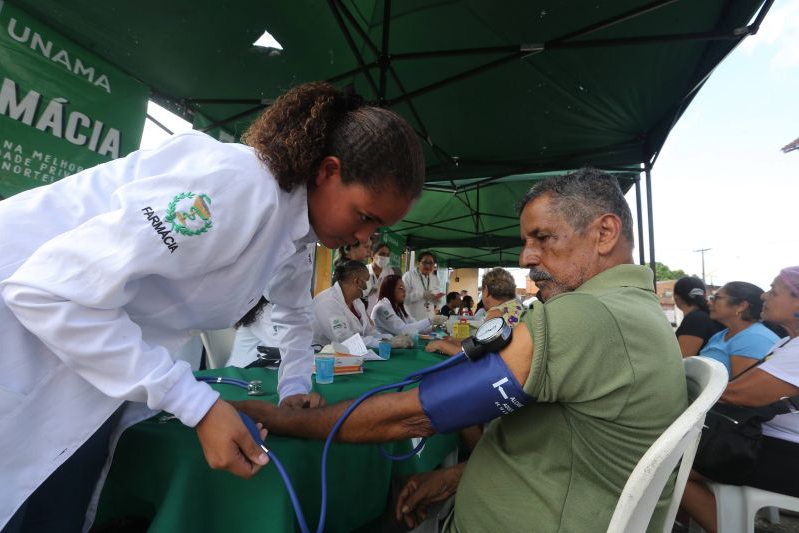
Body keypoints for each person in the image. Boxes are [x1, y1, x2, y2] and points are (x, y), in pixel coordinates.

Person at [0, 81, 425, 531]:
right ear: (328, 172)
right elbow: (49, 290)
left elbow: (293, 312)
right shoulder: (240, 187)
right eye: (365, 217)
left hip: (79, 373)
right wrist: (197, 404)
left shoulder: (294, 229)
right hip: (21, 342)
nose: (364, 239)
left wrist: (295, 387)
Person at [236, 168, 687, 532]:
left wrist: (283, 416)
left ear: (605, 232)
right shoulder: (631, 307)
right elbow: (570, 448)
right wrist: (456, 476)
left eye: (542, 238)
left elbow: (413, 415)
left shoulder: (587, 315)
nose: (527, 258)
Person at [680, 267, 799, 533]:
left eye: (773, 291)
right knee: (673, 458)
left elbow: (737, 393)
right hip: (767, 441)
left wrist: (674, 389)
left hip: (789, 454)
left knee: (668, 466)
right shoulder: (786, 344)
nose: (765, 297)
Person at [427, 268, 524, 356]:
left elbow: (473, 353)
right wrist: (453, 340)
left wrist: (440, 345)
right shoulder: (516, 306)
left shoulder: (496, 313)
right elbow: (481, 343)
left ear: (486, 290)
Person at [698, 281, 779, 377]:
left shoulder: (753, 338)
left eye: (717, 298)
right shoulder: (721, 335)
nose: (709, 302)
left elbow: (742, 389)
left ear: (741, 306)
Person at [312, 260, 384, 347]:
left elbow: (370, 333)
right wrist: (382, 344)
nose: (372, 285)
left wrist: (388, 339)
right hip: (321, 356)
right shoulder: (328, 301)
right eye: (368, 279)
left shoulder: (357, 302)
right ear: (357, 281)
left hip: (349, 356)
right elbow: (344, 340)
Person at [371, 275, 445, 336]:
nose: (404, 291)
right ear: (390, 289)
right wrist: (430, 320)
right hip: (385, 348)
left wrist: (435, 326)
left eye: (404, 288)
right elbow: (403, 330)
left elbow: (416, 327)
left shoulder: (399, 308)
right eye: (400, 288)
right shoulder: (382, 308)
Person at [673, 276, 723, 356]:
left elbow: (683, 359)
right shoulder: (707, 315)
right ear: (704, 295)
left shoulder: (695, 319)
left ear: (676, 297)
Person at [402, 251, 443, 320]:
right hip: (412, 320)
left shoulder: (435, 279)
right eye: (425, 262)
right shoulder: (408, 276)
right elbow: (403, 298)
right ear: (418, 263)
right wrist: (421, 295)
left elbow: (437, 299)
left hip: (428, 320)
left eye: (431, 263)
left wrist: (437, 300)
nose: (428, 266)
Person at [365, 240, 396, 310]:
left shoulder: (390, 272)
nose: (385, 257)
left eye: (387, 255)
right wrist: (367, 293)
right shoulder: (364, 270)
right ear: (372, 254)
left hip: (383, 312)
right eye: (382, 254)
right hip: (366, 311)